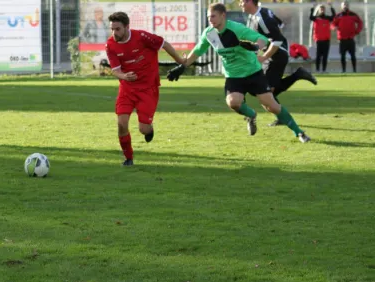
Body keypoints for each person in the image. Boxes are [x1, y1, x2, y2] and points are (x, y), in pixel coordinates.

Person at [168, 3, 310, 143]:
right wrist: (182, 66)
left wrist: (254, 46)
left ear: (223, 15)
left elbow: (263, 40)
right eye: (208, 17)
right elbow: (197, 51)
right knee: (233, 102)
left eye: (213, 16)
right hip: (234, 76)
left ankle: (299, 133)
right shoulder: (208, 33)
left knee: (271, 106)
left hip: (253, 72)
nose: (210, 19)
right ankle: (251, 115)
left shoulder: (237, 28)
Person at [105, 11, 186, 166]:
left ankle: (149, 129)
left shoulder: (142, 37)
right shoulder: (111, 45)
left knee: (144, 129)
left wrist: (180, 61)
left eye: (117, 29)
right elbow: (116, 70)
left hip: (148, 89)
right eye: (112, 29)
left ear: (127, 27)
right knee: (121, 123)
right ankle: (128, 158)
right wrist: (124, 77)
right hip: (127, 89)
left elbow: (164, 44)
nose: (114, 33)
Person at [240, 0, 317, 127]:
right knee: (263, 92)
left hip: (277, 55)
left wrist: (264, 56)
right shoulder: (262, 12)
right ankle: (298, 75)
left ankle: (297, 76)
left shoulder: (262, 18)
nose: (240, 4)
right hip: (272, 55)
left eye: (242, 1)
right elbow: (280, 25)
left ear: (250, 2)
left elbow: (277, 40)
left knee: (266, 92)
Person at [332, 1, 363, 73]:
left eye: (346, 5)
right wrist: (334, 28)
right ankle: (344, 71)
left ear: (348, 6)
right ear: (341, 6)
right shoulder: (338, 15)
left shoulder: (353, 14)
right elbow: (332, 24)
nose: (345, 6)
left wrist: (357, 31)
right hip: (342, 39)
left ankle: (354, 70)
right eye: (344, 5)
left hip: (350, 38)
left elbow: (360, 22)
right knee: (342, 56)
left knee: (353, 56)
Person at [310, 2, 336, 73]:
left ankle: (324, 70)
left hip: (326, 40)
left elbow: (334, 16)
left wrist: (331, 7)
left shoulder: (327, 18)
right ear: (318, 10)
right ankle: (317, 69)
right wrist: (313, 7)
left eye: (323, 9)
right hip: (318, 40)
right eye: (321, 9)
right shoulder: (316, 18)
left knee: (325, 56)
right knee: (318, 56)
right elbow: (311, 17)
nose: (322, 10)